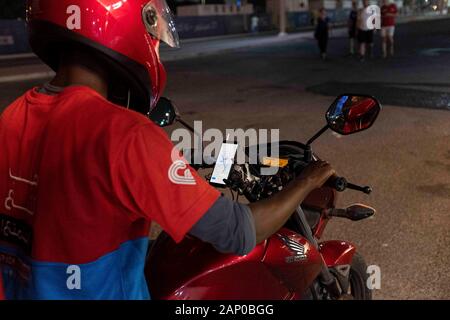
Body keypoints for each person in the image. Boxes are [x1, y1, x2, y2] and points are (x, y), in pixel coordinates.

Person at [0, 0, 335, 299]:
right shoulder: (126, 133)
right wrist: (306, 181)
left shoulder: (11, 117)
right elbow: (239, 230)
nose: (156, 43)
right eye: (152, 28)